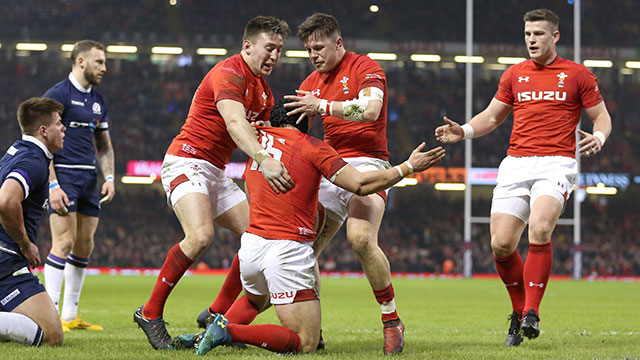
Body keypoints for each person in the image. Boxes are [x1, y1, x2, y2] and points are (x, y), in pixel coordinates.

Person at [174, 100, 445, 355]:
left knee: (255, 301)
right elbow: (361, 185)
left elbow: (234, 122)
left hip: (251, 247)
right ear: (306, 121)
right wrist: (408, 167)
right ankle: (228, 332)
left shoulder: (254, 138)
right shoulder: (312, 147)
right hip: (287, 250)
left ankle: (205, 334)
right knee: (305, 342)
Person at [435, 8, 612, 346]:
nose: (532, 40)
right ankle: (519, 312)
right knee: (501, 244)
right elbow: (492, 116)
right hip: (516, 162)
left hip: (556, 163)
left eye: (539, 34)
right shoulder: (514, 74)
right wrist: (465, 130)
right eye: (528, 34)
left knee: (541, 227)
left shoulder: (577, 75)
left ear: (555, 36)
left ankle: (532, 311)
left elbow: (602, 117)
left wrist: (599, 137)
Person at [133, 15, 294, 350]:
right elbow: (236, 124)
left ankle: (217, 314)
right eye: (269, 48)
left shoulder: (263, 92)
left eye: (279, 50)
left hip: (216, 172)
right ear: (247, 45)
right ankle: (150, 312)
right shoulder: (229, 73)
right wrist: (265, 162)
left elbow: (264, 135)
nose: (275, 56)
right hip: (187, 159)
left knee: (259, 237)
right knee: (201, 235)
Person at [280, 13, 406, 354]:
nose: (314, 55)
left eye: (319, 47)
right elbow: (294, 133)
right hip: (330, 164)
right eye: (308, 50)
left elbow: (370, 111)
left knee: (361, 238)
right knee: (302, 249)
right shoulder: (310, 82)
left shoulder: (365, 68)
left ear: (338, 43)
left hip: (369, 162)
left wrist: (321, 104)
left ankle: (391, 319)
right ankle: (312, 331)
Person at [42, 39, 115, 332]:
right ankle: (47, 315)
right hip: (64, 176)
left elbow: (105, 146)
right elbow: (41, 142)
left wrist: (109, 177)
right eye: (99, 62)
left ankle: (70, 315)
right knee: (64, 242)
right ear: (81, 62)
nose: (105, 68)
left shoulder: (99, 101)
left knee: (85, 245)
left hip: (89, 179)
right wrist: (51, 184)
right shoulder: (57, 95)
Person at [0, 97, 66, 346]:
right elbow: (6, 201)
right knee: (51, 335)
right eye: (59, 123)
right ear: (43, 130)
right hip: (6, 261)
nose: (64, 128)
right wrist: (25, 244)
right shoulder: (34, 161)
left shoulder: (16, 150)